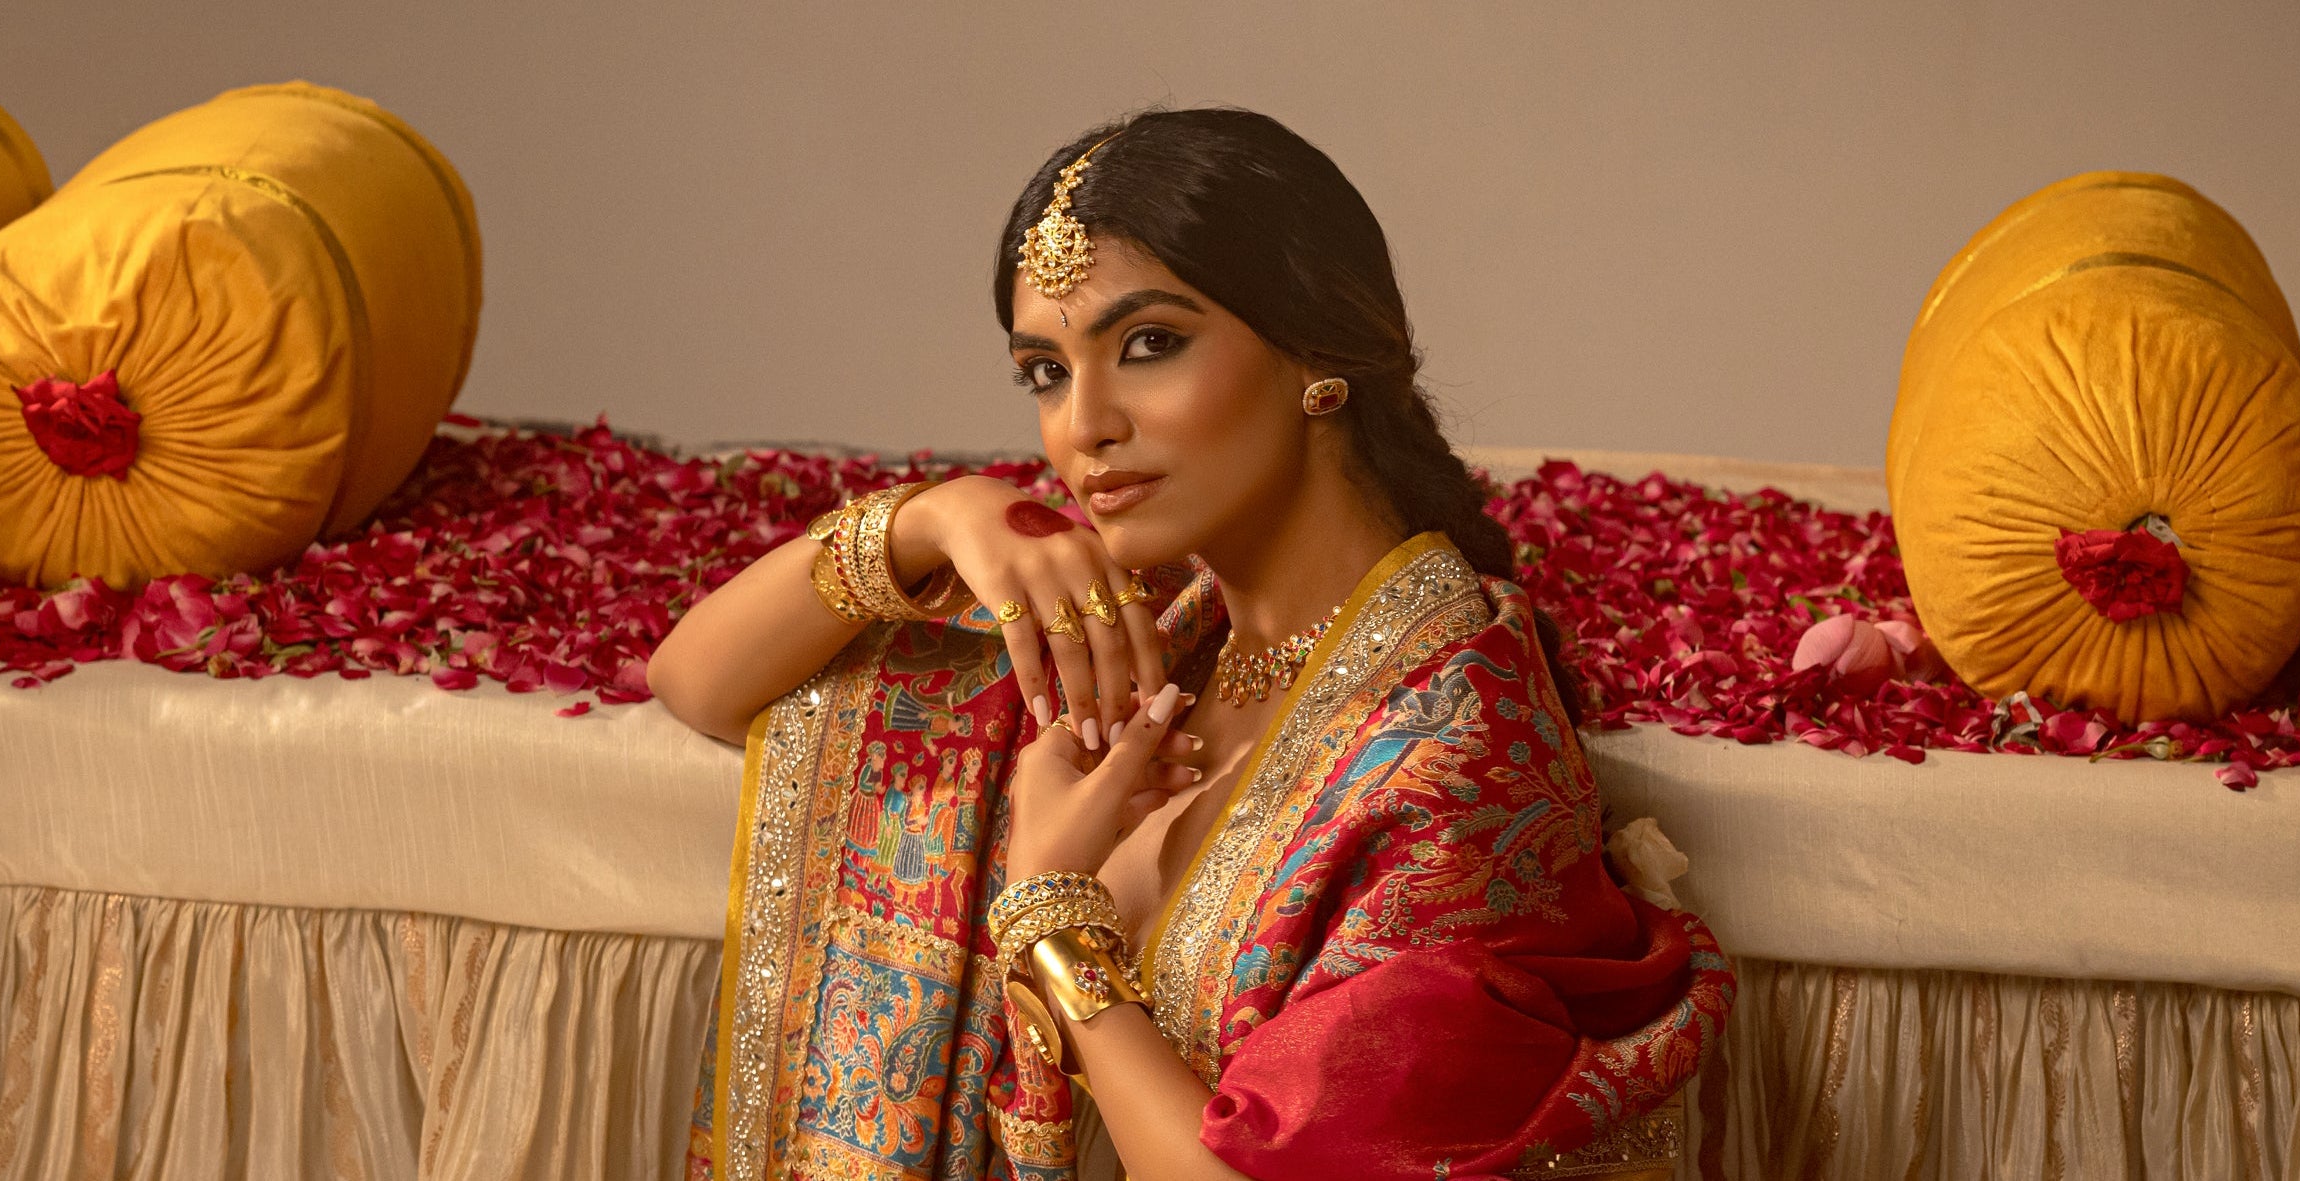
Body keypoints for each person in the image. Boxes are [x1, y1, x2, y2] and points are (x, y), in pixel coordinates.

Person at [646, 108, 1729, 1181]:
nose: (1084, 425)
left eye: (1148, 345)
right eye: (1046, 371)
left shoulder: (1456, 747)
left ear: (1317, 354)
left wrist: (1050, 921)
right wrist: (931, 518)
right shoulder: (1157, 629)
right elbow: (698, 679)